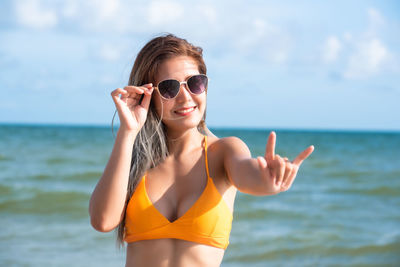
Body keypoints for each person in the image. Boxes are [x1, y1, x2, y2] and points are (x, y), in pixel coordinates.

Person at [89, 34, 314, 267]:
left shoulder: (224, 151)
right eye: (169, 88)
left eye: (195, 82)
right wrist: (128, 132)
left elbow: (248, 174)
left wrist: (268, 180)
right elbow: (103, 221)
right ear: (148, 95)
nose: (185, 97)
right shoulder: (135, 163)